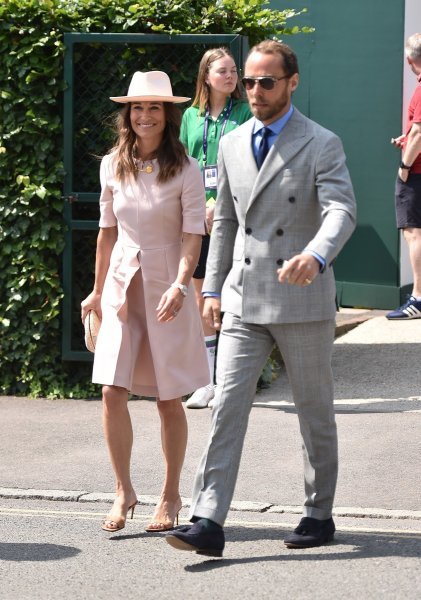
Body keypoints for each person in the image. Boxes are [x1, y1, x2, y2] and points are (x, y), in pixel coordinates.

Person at [165, 40, 356, 557]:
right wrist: (211, 287)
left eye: (266, 81)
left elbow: (341, 210)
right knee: (226, 404)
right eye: (248, 81)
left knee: (314, 410)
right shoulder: (231, 143)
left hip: (302, 297)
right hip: (244, 297)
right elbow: (225, 219)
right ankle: (208, 518)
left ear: (292, 82)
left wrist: (316, 255)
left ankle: (319, 513)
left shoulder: (321, 142)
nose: (254, 90)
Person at [81, 71, 210, 533]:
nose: (144, 115)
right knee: (112, 390)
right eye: (137, 107)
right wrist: (96, 291)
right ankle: (123, 491)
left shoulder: (187, 169)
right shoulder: (111, 165)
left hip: (166, 291)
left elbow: (192, 234)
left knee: (167, 399)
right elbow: (106, 232)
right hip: (120, 288)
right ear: (127, 114)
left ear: (168, 115)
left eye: (154, 107)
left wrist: (180, 284)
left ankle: (171, 494)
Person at [180, 48, 252, 409]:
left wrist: (217, 201)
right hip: (196, 217)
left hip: (233, 215)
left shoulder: (243, 113)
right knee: (200, 297)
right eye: (222, 71)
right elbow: (182, 163)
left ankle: (230, 380)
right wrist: (198, 203)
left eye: (234, 71)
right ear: (206, 76)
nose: (231, 76)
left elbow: (248, 162)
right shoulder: (190, 117)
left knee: (233, 294)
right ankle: (206, 381)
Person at [387, 33, 421, 320]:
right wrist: (408, 136)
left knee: (414, 232)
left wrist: (404, 166)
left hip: (418, 172)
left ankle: (418, 299)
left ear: (409, 60)